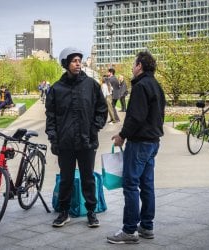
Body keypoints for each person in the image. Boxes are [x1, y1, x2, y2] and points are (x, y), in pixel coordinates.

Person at [107, 51, 166, 244]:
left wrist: (122, 136)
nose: (132, 67)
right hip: (153, 142)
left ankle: (130, 230)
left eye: (134, 64)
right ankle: (147, 226)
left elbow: (136, 117)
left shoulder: (141, 86)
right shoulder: (157, 86)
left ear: (139, 65)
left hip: (139, 143)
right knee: (146, 185)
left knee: (131, 184)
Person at [45, 47, 108, 228]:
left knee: (88, 178)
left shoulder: (92, 85)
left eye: (79, 60)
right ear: (66, 64)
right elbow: (51, 117)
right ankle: (64, 212)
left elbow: (101, 110)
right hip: (65, 144)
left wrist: (94, 128)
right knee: (66, 179)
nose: (78, 63)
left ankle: (91, 211)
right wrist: (53, 139)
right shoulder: (56, 89)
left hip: (87, 142)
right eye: (74, 61)